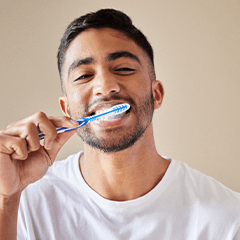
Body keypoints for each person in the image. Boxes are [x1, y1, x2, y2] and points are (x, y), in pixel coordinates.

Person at [0, 8, 240, 240]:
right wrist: (6, 199)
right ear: (66, 109)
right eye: (84, 75)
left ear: (156, 94)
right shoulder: (22, 203)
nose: (105, 86)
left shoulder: (228, 220)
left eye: (124, 68)